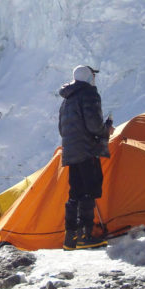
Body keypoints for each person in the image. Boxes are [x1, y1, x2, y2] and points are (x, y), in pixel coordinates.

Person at [58, 65, 114, 250]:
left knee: (75, 193)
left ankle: (70, 238)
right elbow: (94, 125)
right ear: (89, 77)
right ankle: (86, 235)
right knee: (89, 191)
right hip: (87, 150)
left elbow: (62, 129)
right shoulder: (89, 93)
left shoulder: (66, 100)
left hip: (71, 152)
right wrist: (106, 129)